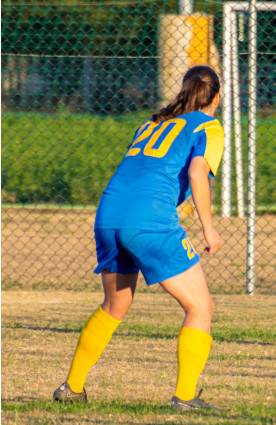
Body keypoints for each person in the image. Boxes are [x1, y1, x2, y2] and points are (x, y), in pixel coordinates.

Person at [53, 65, 225, 411]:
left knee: (115, 305)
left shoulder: (151, 123)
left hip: (109, 215)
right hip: (149, 221)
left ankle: (71, 387)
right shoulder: (209, 126)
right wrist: (209, 226)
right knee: (200, 307)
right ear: (216, 99)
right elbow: (196, 174)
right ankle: (186, 397)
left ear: (183, 91)